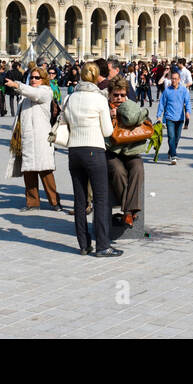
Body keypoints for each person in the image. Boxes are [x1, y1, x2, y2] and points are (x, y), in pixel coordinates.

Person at [64, 62, 121, 256]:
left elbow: (65, 123)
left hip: (74, 151)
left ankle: (83, 245)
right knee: (101, 199)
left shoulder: (70, 98)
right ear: (96, 77)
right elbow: (107, 130)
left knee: (80, 201)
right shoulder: (98, 99)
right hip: (94, 151)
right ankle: (103, 245)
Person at [7, 66, 62, 211]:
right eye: (31, 77)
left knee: (46, 170)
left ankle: (55, 201)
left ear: (43, 79)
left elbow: (35, 94)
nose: (33, 80)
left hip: (41, 137)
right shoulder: (25, 96)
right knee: (29, 171)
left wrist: (17, 85)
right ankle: (32, 202)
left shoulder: (45, 92)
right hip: (27, 137)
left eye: (37, 77)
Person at [105, 77, 147, 227]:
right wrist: (110, 117)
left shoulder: (131, 107)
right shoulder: (103, 108)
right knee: (117, 170)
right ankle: (129, 212)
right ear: (109, 94)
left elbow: (143, 118)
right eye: (116, 95)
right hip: (111, 152)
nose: (119, 98)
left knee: (138, 167)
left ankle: (127, 211)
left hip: (130, 150)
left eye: (122, 95)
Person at [155, 69, 189, 165]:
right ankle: (173, 155)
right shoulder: (167, 91)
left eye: (175, 79)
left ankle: (171, 150)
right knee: (171, 136)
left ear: (179, 80)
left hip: (180, 118)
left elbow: (187, 103)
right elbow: (162, 103)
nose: (173, 80)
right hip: (169, 117)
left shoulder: (184, 90)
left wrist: (188, 112)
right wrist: (159, 115)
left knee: (177, 137)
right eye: (172, 79)